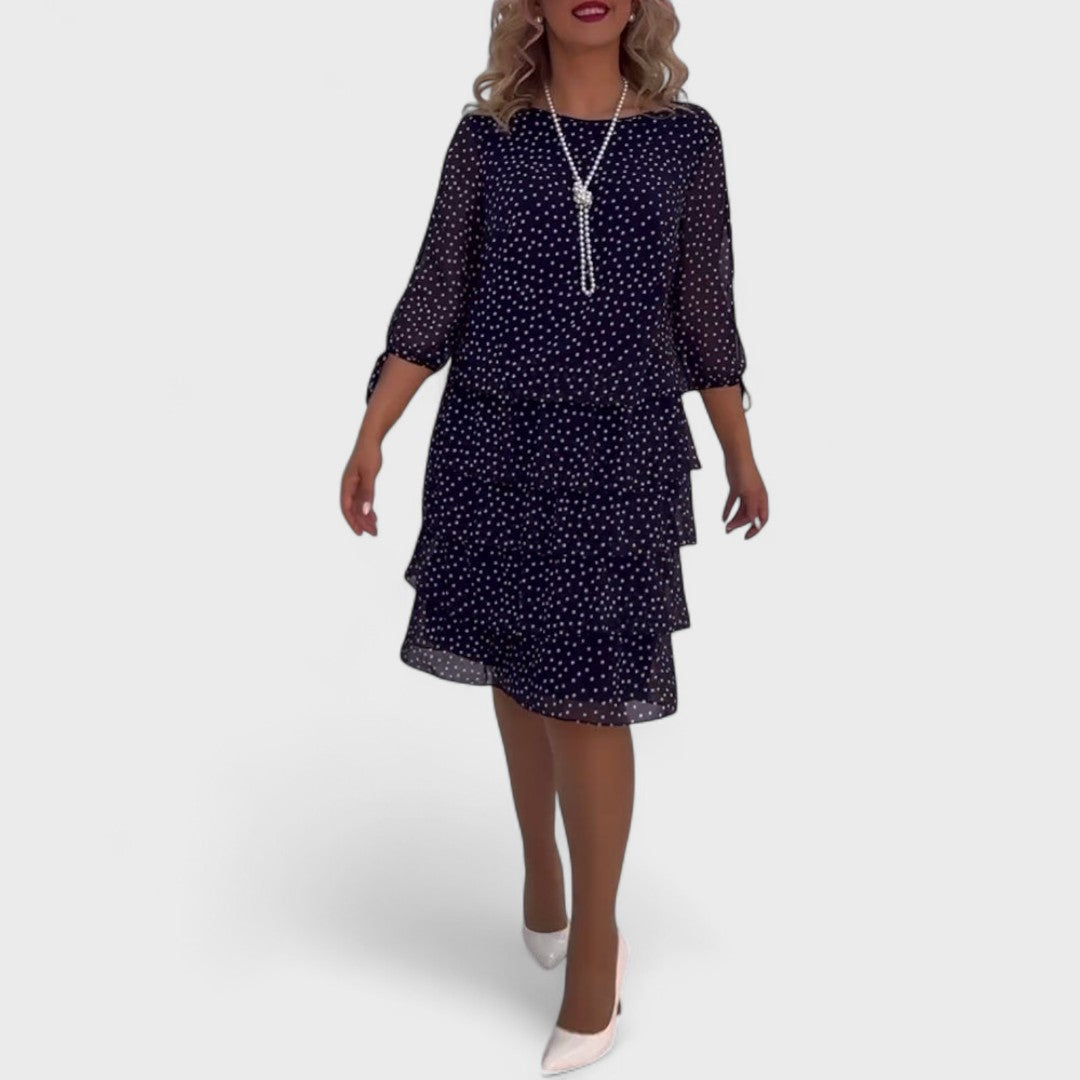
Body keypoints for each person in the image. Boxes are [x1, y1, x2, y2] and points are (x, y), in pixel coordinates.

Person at [340, 0, 769, 1072]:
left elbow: (703, 310)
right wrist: (372, 433)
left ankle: (598, 948)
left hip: (622, 448)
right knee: (517, 663)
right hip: (494, 438)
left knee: (588, 689)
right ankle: (542, 863)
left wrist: (740, 449)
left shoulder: (687, 140)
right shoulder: (489, 139)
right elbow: (437, 295)